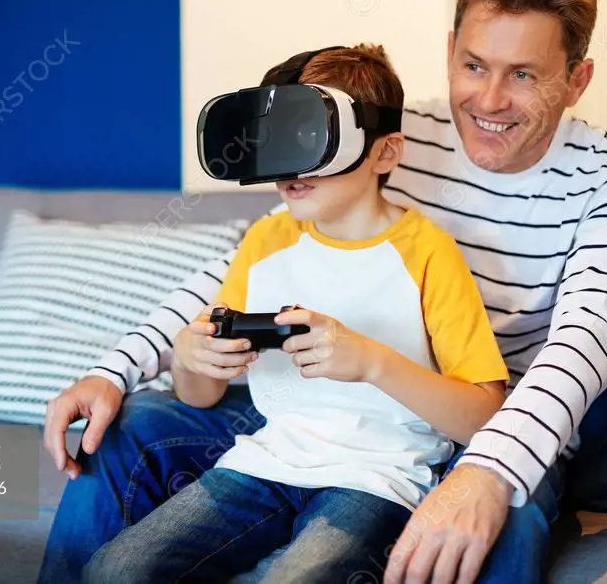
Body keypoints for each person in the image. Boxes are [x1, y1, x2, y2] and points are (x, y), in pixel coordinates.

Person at [37, 0, 607, 584]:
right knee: (122, 424)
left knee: (499, 522)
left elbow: (584, 350)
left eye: (524, 74)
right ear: (450, 50)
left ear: (577, 79)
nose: (490, 100)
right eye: (474, 65)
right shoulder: (384, 129)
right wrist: (117, 368)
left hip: (484, 418)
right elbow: (242, 270)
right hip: (311, 405)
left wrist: (489, 470)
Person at [84, 42, 511, 582]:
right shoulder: (266, 240)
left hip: (378, 476)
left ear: (384, 153)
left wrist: (372, 362)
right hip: (264, 461)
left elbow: (483, 416)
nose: (289, 169)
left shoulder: (428, 253)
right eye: (277, 140)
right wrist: (190, 358)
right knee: (116, 570)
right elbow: (202, 395)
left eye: (310, 139)